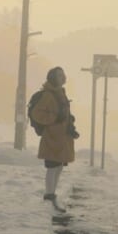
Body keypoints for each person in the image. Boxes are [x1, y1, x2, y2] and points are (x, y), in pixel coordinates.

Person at [30, 66, 78, 212]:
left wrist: (70, 125)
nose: (63, 77)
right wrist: (53, 119)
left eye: (63, 74)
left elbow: (63, 113)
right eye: (59, 75)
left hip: (62, 138)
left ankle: (52, 195)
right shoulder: (48, 95)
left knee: (59, 166)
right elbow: (37, 113)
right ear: (53, 78)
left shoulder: (59, 93)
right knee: (52, 167)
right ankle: (49, 196)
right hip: (52, 137)